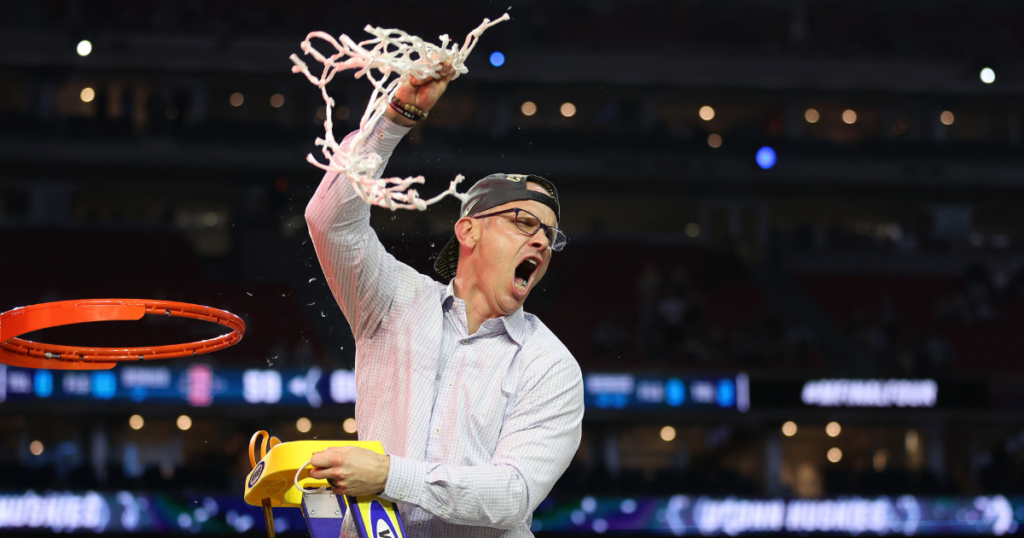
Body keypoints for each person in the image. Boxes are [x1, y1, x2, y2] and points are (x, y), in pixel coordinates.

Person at [304, 62, 584, 537]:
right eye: (523, 221)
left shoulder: (550, 364)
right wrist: (393, 120)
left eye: (550, 235)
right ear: (468, 229)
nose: (540, 241)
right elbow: (330, 222)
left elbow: (513, 495)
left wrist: (391, 475)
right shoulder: (392, 302)